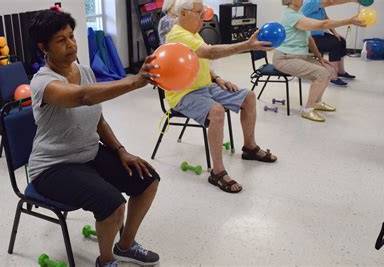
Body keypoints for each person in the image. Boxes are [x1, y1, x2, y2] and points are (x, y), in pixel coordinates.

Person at [28, 9, 160, 267]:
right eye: (61, 40)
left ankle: (125, 246)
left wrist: (121, 150)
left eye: (71, 36)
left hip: (88, 152)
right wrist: (134, 82)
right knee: (112, 204)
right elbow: (82, 97)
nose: (71, 44)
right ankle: (106, 260)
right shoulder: (43, 83)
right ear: (43, 47)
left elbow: (97, 119)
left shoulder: (85, 72)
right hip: (53, 167)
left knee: (148, 180)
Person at [165, 0, 277, 194]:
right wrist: (248, 45)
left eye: (204, 13)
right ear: (183, 14)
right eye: (199, 13)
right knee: (216, 111)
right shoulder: (178, 35)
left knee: (248, 97)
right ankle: (217, 172)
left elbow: (201, 61)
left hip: (205, 86)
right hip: (183, 93)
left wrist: (217, 78)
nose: (204, 17)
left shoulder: (193, 33)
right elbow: (209, 53)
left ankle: (249, 148)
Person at [272, 0, 365, 122]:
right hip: (284, 58)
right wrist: (349, 21)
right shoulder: (291, 16)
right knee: (321, 74)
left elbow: (309, 38)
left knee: (329, 70)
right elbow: (323, 25)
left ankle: (317, 102)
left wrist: (320, 58)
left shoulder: (300, 13)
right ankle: (307, 110)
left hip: (299, 56)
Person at [302, 0, 360, 86]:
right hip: (309, 38)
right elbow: (330, 2)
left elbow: (327, 20)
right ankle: (333, 76)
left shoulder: (319, 5)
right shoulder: (310, 2)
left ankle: (341, 71)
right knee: (334, 44)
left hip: (319, 35)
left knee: (341, 41)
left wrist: (335, 33)